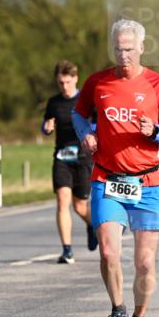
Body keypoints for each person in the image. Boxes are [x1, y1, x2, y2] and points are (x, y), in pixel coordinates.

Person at [72, 19, 159, 317]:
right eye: (118, 49)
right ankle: (118, 310)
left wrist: (156, 131)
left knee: (145, 262)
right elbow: (78, 114)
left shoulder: (158, 84)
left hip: (148, 183)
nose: (124, 55)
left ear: (142, 48)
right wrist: (86, 135)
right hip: (107, 179)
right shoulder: (97, 83)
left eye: (130, 49)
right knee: (108, 252)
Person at [42, 61, 96, 264]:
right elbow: (46, 124)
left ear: (75, 79)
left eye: (67, 81)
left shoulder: (86, 99)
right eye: (60, 82)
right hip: (62, 157)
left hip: (83, 157)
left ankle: (92, 225)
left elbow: (99, 122)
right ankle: (67, 250)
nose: (64, 86)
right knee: (62, 200)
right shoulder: (54, 102)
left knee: (80, 206)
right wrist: (46, 127)